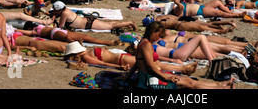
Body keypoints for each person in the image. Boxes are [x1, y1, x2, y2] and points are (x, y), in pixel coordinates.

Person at [125, 21, 235, 89]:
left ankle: (222, 85)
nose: (159, 37)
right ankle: (222, 87)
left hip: (148, 77)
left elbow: (137, 63)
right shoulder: (146, 45)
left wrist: (127, 77)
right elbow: (150, 66)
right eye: (158, 34)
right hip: (148, 80)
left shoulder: (143, 42)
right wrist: (166, 78)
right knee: (189, 84)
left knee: (188, 81)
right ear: (153, 31)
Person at [63, 41, 197, 74]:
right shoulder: (86, 57)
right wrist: (119, 67)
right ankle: (182, 69)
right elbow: (102, 64)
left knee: (155, 63)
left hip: (123, 57)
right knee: (155, 64)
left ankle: (182, 68)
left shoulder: (86, 52)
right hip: (122, 60)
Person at [51, 1, 137, 31]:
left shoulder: (64, 14)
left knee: (110, 26)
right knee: (109, 24)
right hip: (87, 21)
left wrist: (53, 18)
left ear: (59, 10)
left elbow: (60, 27)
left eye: (55, 10)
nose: (54, 11)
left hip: (88, 24)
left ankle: (129, 23)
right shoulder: (66, 10)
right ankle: (127, 23)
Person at [156, 14, 236, 34]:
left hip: (181, 21)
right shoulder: (160, 23)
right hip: (180, 23)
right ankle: (224, 29)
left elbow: (158, 18)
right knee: (204, 26)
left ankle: (227, 24)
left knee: (206, 25)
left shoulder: (160, 19)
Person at [170, 0, 243, 19]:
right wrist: (176, 2)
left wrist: (176, 3)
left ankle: (231, 13)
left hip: (201, 6)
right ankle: (236, 15)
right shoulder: (177, 12)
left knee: (217, 2)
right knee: (219, 13)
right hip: (200, 11)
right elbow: (181, 7)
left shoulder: (177, 8)